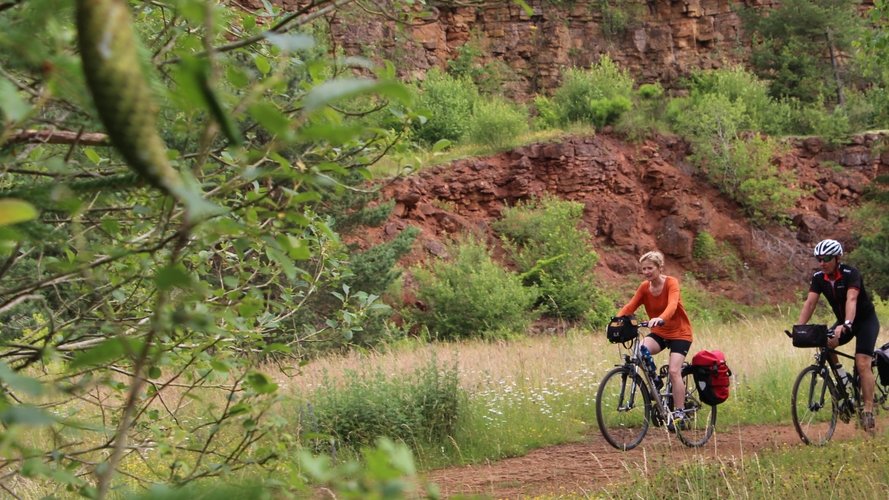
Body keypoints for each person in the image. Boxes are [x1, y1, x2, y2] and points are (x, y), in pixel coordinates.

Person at [795, 238, 881, 434]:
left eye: (826, 258)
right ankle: (842, 379)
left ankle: (868, 410)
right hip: (843, 322)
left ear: (837, 258)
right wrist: (799, 327)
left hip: (864, 321)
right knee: (824, 342)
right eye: (819, 259)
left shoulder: (851, 273)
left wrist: (847, 324)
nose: (822, 263)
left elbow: (852, 299)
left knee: (862, 363)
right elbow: (810, 303)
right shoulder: (819, 278)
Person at [617, 250, 694, 423]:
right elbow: (630, 306)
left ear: (660, 267)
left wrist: (661, 318)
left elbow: (672, 305)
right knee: (639, 350)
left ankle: (680, 413)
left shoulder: (671, 283)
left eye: (650, 268)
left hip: (680, 333)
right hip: (660, 332)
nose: (646, 272)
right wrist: (616, 321)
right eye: (644, 269)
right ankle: (656, 381)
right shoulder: (644, 287)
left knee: (674, 371)